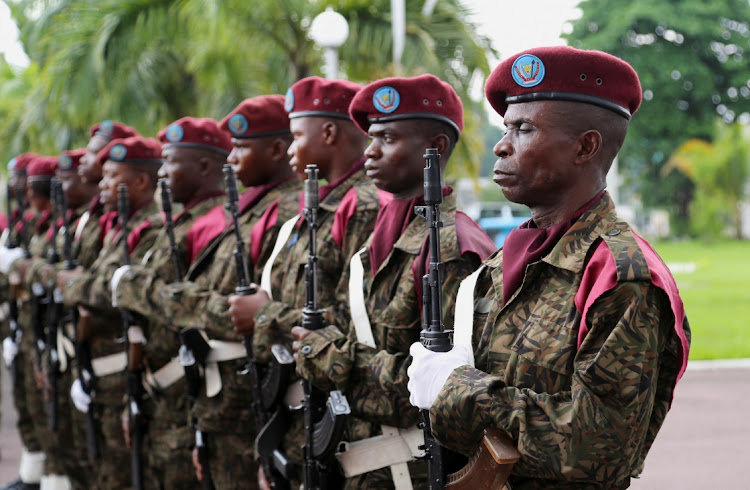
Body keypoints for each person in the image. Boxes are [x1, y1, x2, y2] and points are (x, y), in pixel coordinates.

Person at [407, 46, 691, 489]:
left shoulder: (617, 275)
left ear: (586, 146)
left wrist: (457, 387)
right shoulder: (510, 259)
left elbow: (600, 448)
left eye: (523, 128)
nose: (501, 146)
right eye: (506, 128)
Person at [290, 74, 497, 488]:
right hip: (365, 466)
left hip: (413, 470)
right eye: (371, 138)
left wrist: (333, 356)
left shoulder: (453, 246)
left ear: (435, 149)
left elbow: (438, 386)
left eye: (387, 138)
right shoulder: (382, 236)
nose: (370, 151)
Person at [113, 95, 302, 489]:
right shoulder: (249, 210)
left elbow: (256, 310)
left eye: (241, 148)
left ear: (278, 149)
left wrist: (165, 297)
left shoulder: (285, 212)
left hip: (247, 403)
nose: (230, 159)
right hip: (218, 401)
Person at [227, 76, 387, 488]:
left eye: (297, 135)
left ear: (329, 133)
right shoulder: (316, 208)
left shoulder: (362, 206)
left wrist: (266, 314)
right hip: (298, 409)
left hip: (335, 414)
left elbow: (356, 322)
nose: (292, 149)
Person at [109, 116, 233, 489]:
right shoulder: (179, 222)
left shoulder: (215, 222)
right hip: (161, 385)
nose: (161, 174)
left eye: (170, 163)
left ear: (205, 166)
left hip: (191, 387)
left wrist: (131, 286)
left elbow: (194, 305)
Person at [58, 135, 164, 489]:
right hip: (103, 365)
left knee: (122, 473)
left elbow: (109, 291)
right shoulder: (121, 228)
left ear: (140, 182)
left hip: (124, 368)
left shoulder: (152, 229)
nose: (101, 186)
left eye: (111, 177)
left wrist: (69, 284)